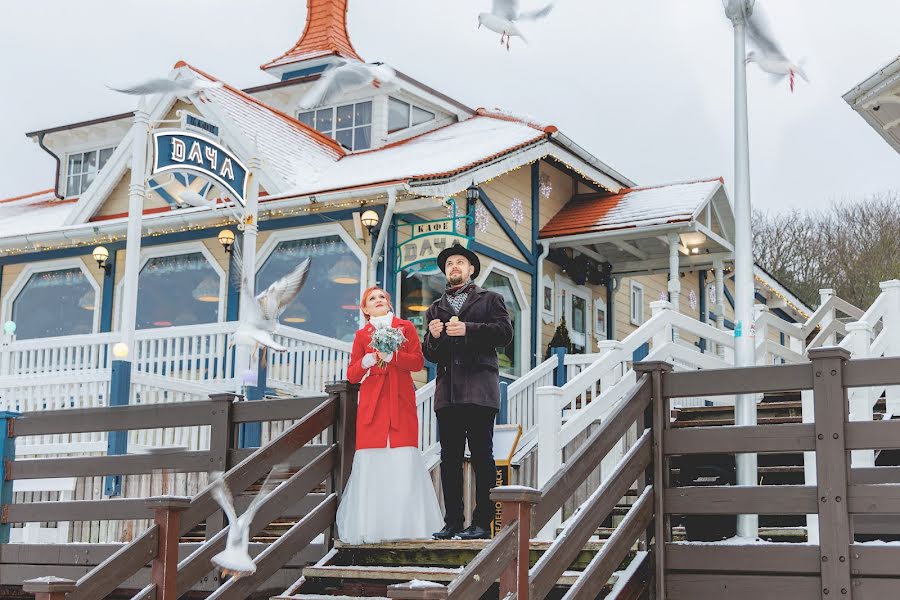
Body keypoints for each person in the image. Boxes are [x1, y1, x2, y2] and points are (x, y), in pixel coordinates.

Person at [336, 286, 443, 544]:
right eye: (372, 299)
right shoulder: (362, 335)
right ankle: (372, 528)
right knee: (372, 460)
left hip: (399, 398)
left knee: (403, 456)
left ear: (389, 303)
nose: (379, 300)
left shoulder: (404, 327)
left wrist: (393, 355)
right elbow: (352, 375)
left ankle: (407, 527)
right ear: (365, 309)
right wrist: (368, 361)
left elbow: (417, 362)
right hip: (373, 402)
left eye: (382, 297)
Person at [424, 243, 513, 540]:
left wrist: (469, 329)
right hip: (447, 395)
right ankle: (452, 522)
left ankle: (481, 522)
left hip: (479, 392)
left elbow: (505, 334)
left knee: (481, 458)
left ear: (471, 269)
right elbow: (431, 354)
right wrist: (433, 338)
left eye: (460, 262)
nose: (454, 267)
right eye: (449, 264)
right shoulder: (435, 309)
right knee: (449, 460)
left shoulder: (492, 299)